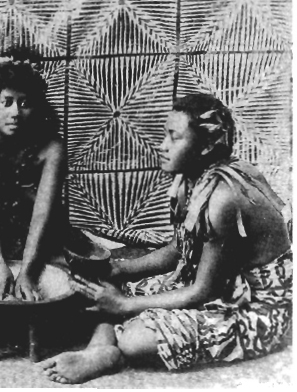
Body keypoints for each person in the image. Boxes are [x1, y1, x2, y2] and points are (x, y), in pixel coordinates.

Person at [39, 93, 292, 383]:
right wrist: (119, 269)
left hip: (255, 307)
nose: (163, 146)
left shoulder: (224, 198)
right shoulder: (192, 179)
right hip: (222, 284)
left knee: (136, 336)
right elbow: (178, 249)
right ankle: (100, 352)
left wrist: (123, 305)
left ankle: (115, 349)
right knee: (107, 285)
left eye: (175, 137)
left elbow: (202, 292)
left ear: (207, 145)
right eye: (165, 135)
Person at [0, 46, 96, 301]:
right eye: (7, 102)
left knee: (71, 268)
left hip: (41, 232)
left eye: (25, 103)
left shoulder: (52, 150)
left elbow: (42, 215)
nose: (15, 113)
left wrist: (29, 273)